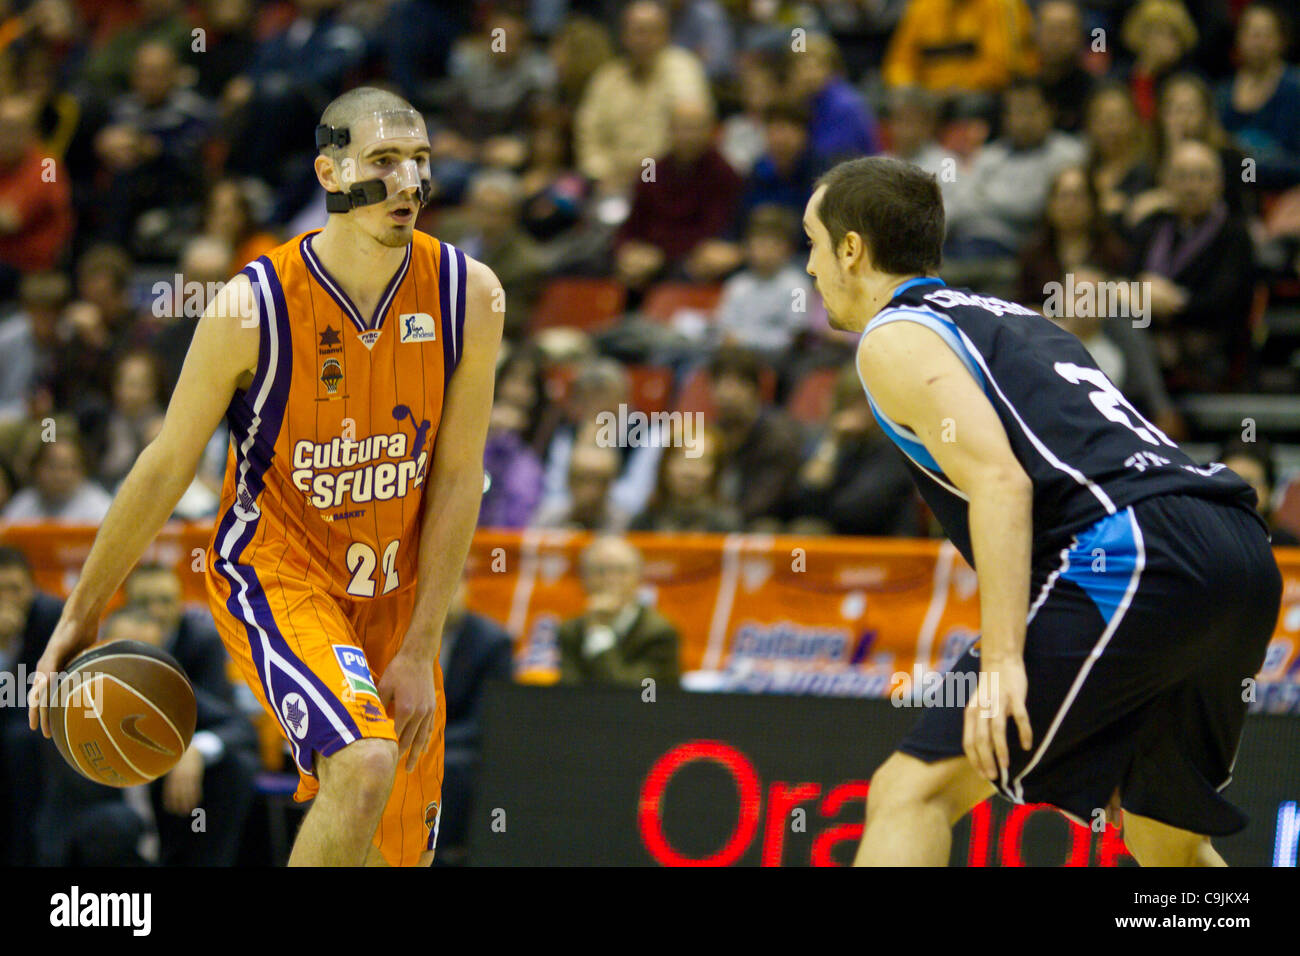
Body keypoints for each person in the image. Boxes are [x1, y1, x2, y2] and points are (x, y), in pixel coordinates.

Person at [28, 86, 504, 868]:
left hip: (396, 596)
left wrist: (420, 647)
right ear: (329, 170)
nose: (409, 181)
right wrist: (85, 610)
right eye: (383, 162)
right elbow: (163, 467)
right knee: (364, 762)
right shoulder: (252, 306)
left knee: (393, 855)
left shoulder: (469, 295)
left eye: (420, 162)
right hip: (279, 574)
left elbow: (458, 478)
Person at [801, 156, 1280, 866]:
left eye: (813, 245)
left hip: (1137, 551)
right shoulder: (1013, 319)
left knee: (911, 795)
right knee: (1167, 841)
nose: (810, 269)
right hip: (1233, 548)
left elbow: (1000, 480)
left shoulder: (893, 335)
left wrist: (1001, 664)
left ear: (851, 248)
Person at [123, 563, 259, 866]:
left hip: (179, 768)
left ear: (182, 602)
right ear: (126, 607)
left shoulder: (201, 641)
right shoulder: (111, 642)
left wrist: (192, 749)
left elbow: (230, 722)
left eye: (166, 601)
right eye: (144, 603)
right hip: (123, 759)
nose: (156, 611)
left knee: (238, 765)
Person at [557, 535, 680, 687]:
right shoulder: (569, 630)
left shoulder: (659, 632)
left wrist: (599, 631)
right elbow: (567, 694)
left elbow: (630, 695)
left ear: (639, 578)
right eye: (600, 571)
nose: (610, 579)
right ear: (583, 578)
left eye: (621, 571)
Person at [1219, 437, 1300, 547]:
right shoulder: (1203, 540)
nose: (1235, 490)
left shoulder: (1287, 545)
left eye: (1247, 481)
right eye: (1228, 480)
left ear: (1269, 489)